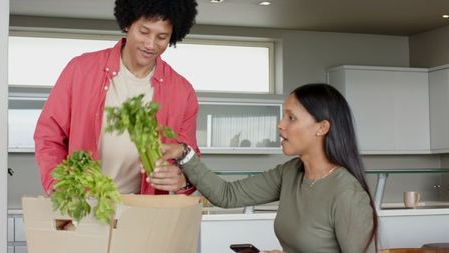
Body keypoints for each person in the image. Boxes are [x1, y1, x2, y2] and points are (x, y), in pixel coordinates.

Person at [149, 83, 378, 252]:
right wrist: (183, 153)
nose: (280, 125)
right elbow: (227, 195)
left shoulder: (347, 194)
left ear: (321, 127)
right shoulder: (290, 173)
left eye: (291, 118)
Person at [34, 0, 200, 196]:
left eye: (162, 37)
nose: (150, 44)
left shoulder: (182, 91)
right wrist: (58, 183)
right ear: (127, 24)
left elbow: (189, 156)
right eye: (144, 32)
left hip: (145, 211)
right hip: (84, 203)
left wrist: (183, 179)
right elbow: (49, 135)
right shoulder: (80, 69)